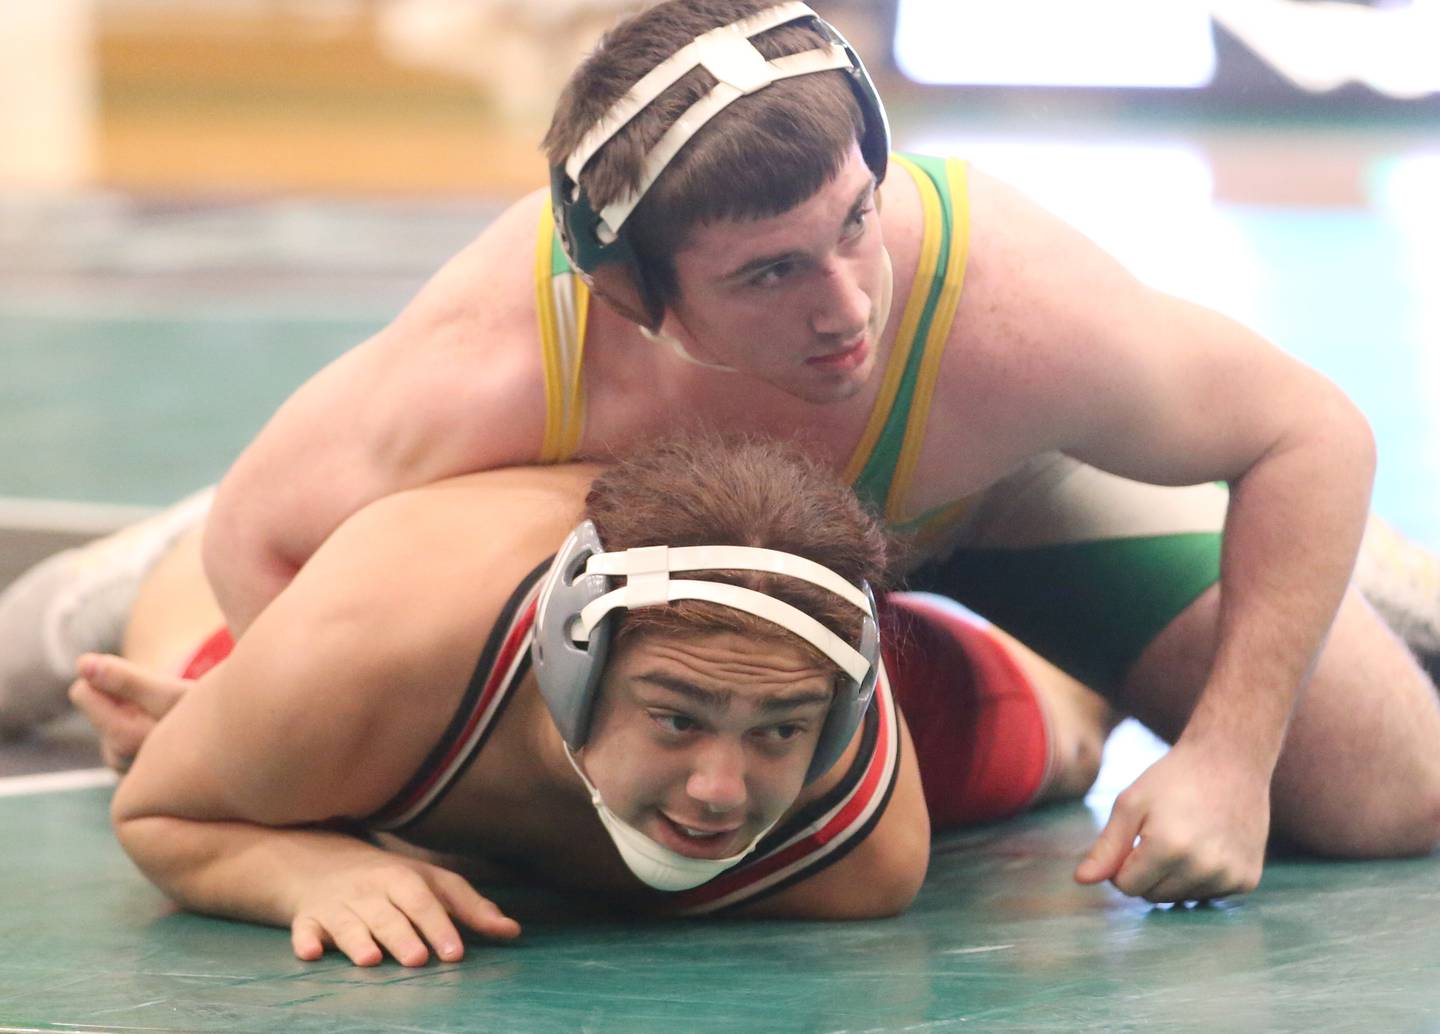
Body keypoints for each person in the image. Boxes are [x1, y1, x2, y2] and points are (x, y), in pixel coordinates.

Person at [4, 0, 1439, 905]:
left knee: (1385, 796)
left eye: (856, 222)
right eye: (767, 276)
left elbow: (1309, 426)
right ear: (636, 295)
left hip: (996, 490)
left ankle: (1343, 570)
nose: (847, 309)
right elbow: (262, 532)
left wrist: (1234, 761)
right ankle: (111, 574)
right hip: (647, 520)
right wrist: (274, 735)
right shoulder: (509, 359)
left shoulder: (1007, 311)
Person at [71, 436, 1111, 967]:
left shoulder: (858, 853)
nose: (718, 789)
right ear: (573, 660)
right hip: (393, 598)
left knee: (1073, 734)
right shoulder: (374, 648)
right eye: (675, 717)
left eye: (780, 732)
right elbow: (157, 808)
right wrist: (304, 864)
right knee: (184, 676)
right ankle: (161, 551)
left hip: (782, 608)